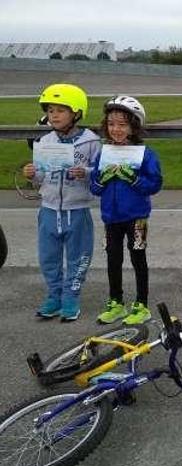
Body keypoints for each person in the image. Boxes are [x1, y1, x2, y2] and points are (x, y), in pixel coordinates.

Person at [22, 83, 101, 322]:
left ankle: (71, 298)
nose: (53, 115)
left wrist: (85, 172)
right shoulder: (44, 140)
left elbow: (99, 173)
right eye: (50, 110)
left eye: (60, 110)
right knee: (48, 258)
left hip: (76, 211)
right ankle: (54, 296)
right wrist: (32, 174)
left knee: (79, 257)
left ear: (76, 113)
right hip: (48, 210)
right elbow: (41, 178)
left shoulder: (91, 142)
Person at [90, 96, 163, 325]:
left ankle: (141, 305)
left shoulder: (145, 154)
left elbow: (155, 184)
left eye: (122, 124)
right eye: (111, 124)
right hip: (111, 218)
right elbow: (94, 187)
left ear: (134, 126)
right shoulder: (103, 153)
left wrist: (134, 179)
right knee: (113, 259)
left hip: (136, 218)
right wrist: (103, 178)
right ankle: (116, 302)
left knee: (138, 258)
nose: (116, 129)